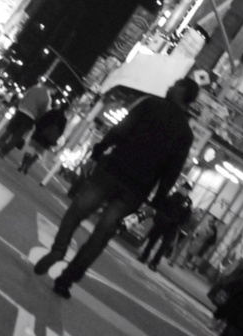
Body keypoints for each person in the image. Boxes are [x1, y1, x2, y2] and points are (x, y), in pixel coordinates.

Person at [33, 78, 198, 298]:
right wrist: (156, 202)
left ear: (182, 92)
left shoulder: (150, 104)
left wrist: (98, 151)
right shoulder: (185, 134)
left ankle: (58, 249)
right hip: (136, 190)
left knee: (77, 211)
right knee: (101, 236)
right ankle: (66, 280)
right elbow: (172, 171)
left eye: (176, 85)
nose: (170, 86)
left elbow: (121, 128)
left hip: (112, 171)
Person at [0, 81, 52, 157]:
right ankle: (4, 151)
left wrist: (20, 106)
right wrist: (37, 121)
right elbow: (42, 111)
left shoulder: (34, 89)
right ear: (52, 89)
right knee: (17, 136)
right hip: (30, 117)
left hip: (21, 111)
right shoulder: (47, 98)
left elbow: (24, 97)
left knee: (10, 130)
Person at [138, 187, 192, 268]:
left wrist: (178, 224)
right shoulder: (173, 195)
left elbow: (186, 216)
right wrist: (159, 217)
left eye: (186, 189)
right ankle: (145, 256)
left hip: (172, 226)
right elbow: (162, 206)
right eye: (184, 188)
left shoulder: (187, 202)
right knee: (152, 241)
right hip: (163, 221)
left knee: (163, 246)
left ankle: (154, 262)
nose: (184, 190)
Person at [18, 102, 69, 173]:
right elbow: (60, 132)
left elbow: (42, 119)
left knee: (30, 148)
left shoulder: (52, 112)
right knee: (38, 153)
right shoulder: (64, 120)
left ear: (60, 106)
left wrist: (37, 128)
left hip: (40, 133)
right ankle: (28, 165)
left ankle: (23, 164)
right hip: (48, 139)